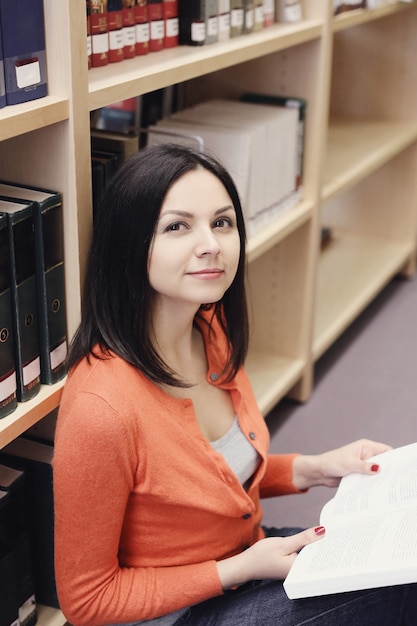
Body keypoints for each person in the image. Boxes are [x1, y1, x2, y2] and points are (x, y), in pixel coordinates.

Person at [53, 143, 417, 626]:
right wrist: (236, 569)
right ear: (129, 243)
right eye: (177, 226)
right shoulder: (102, 409)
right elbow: (87, 600)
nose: (211, 244)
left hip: (243, 560)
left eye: (222, 222)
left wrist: (314, 468)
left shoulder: (212, 331)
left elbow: (211, 479)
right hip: (179, 610)